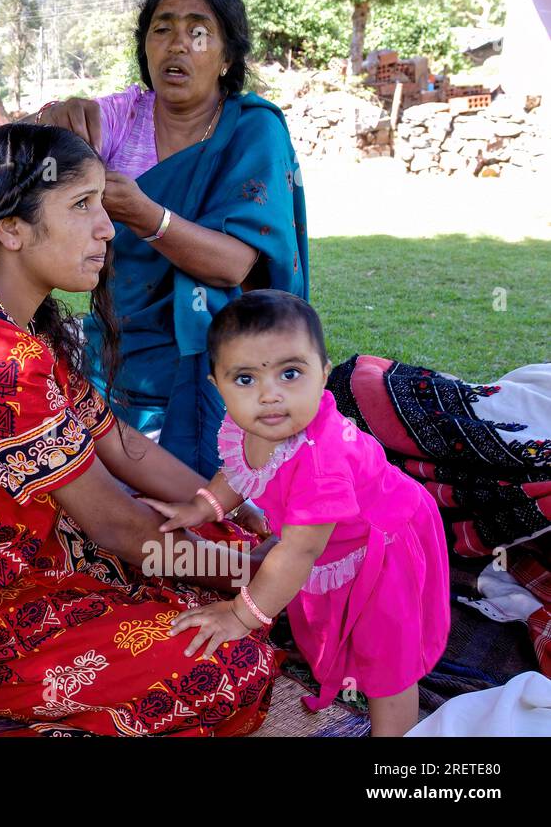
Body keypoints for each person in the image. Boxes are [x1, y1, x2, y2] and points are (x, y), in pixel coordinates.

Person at [0, 124, 278, 736]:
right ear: (11, 227)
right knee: (232, 661)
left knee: (226, 549)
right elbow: (115, 523)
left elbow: (121, 445)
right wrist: (256, 572)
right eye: (82, 206)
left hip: (36, 564)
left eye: (103, 205)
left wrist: (230, 502)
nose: (107, 227)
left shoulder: (13, 332)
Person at [34, 0, 308, 477]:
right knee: (116, 491)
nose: (178, 43)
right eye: (162, 30)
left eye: (198, 31)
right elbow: (24, 156)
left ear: (227, 56)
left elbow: (232, 264)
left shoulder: (252, 131)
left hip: (228, 360)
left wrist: (146, 215)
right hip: (118, 353)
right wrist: (52, 115)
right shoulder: (120, 117)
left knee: (212, 503)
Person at [151, 290, 450, 736]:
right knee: (333, 615)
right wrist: (202, 506)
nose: (270, 395)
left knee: (387, 657)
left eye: (290, 373)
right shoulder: (247, 422)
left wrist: (239, 615)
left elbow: (296, 554)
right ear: (218, 385)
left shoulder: (320, 463)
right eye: (246, 379)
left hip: (384, 543)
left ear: (323, 376)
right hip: (331, 539)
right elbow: (238, 470)